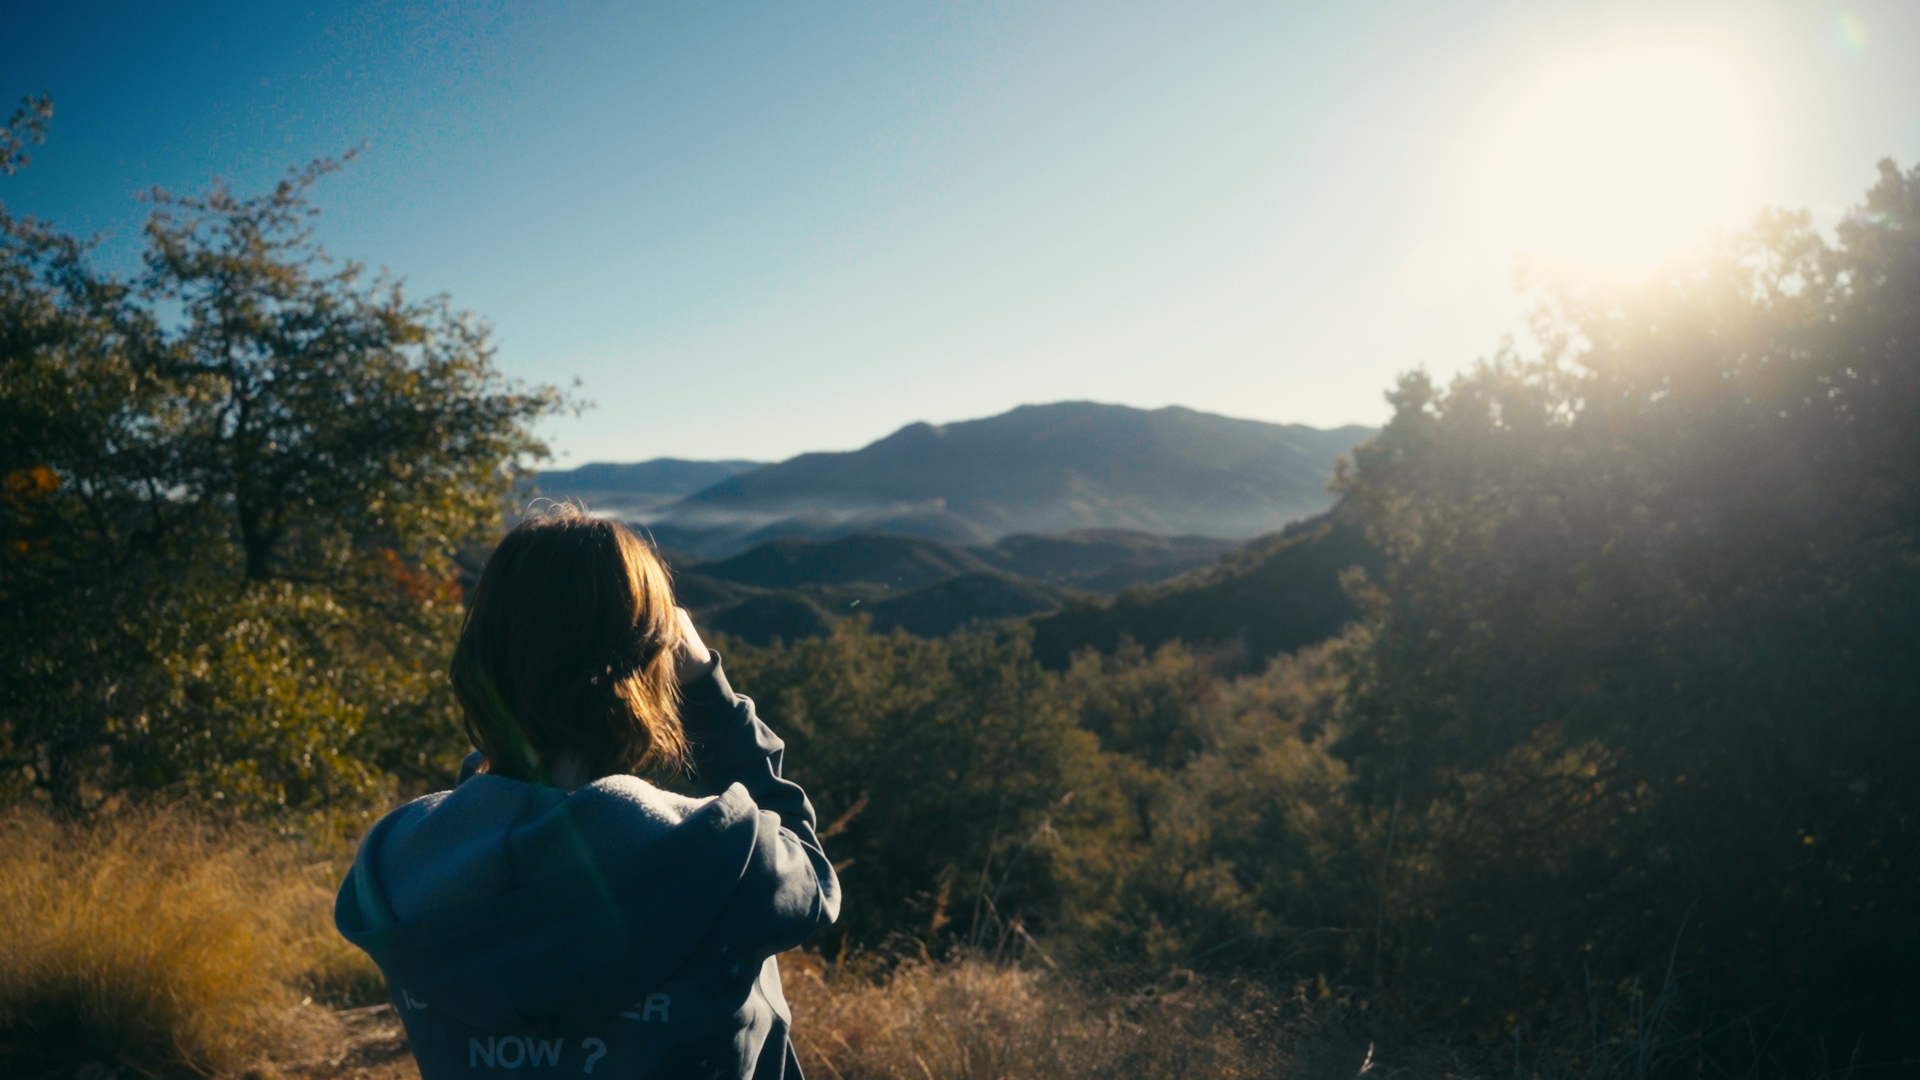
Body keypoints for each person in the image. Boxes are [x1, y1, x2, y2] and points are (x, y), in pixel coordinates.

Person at [335, 505, 840, 1080]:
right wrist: (712, 700)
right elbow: (815, 876)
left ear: (479, 664)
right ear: (652, 668)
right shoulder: (725, 858)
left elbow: (496, 843)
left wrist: (513, 739)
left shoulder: (393, 864)